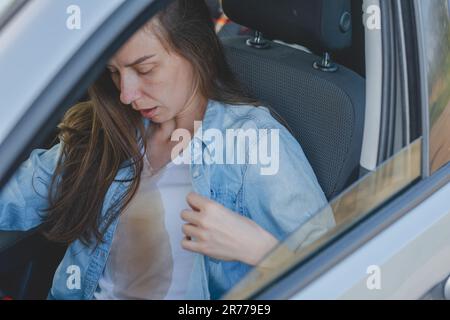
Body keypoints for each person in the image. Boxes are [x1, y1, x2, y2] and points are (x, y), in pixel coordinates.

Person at [0, 0, 334, 300]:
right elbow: (15, 194)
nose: (126, 94)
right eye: (115, 73)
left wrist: (260, 249)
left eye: (145, 69)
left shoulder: (252, 143)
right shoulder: (104, 132)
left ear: (195, 51)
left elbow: (337, 276)